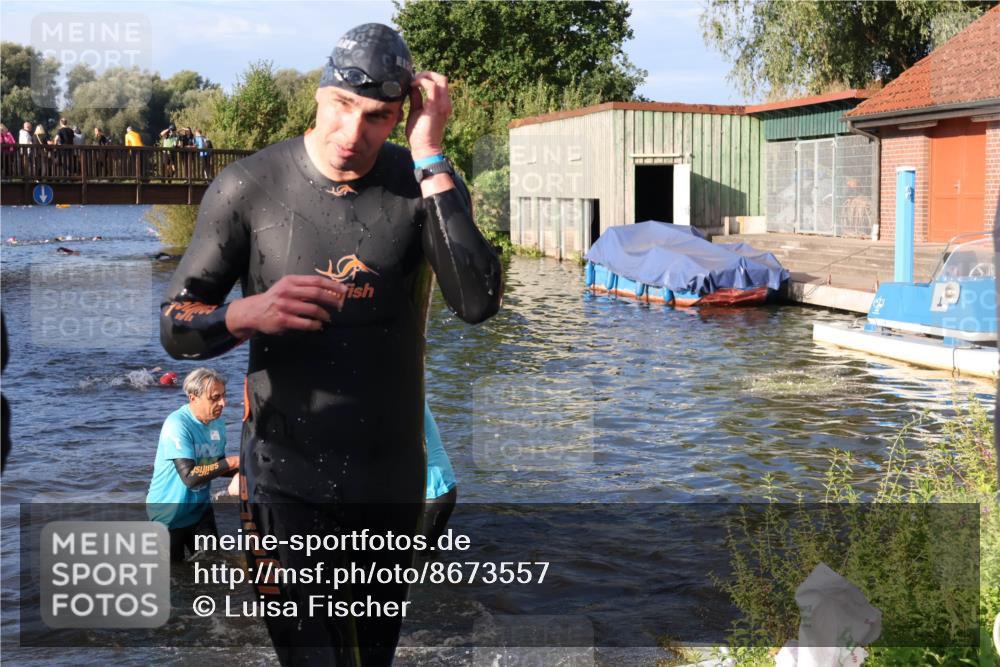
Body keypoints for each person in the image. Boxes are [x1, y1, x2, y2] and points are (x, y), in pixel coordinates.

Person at [160, 22, 502, 666]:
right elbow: (176, 325)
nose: (352, 132)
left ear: (401, 116)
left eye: (377, 117)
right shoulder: (248, 186)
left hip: (387, 480)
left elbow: (477, 302)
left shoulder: (420, 183)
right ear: (319, 94)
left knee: (371, 658)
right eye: (342, 105)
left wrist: (430, 152)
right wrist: (245, 315)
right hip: (280, 477)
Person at [146, 368, 238, 561]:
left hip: (200, 511)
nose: (223, 403)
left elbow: (216, 466)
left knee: (214, 564)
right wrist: (231, 462)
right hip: (169, 515)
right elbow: (190, 478)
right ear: (193, 398)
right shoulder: (177, 425)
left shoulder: (217, 422)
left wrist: (248, 468)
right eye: (215, 398)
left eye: (224, 396)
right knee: (174, 574)